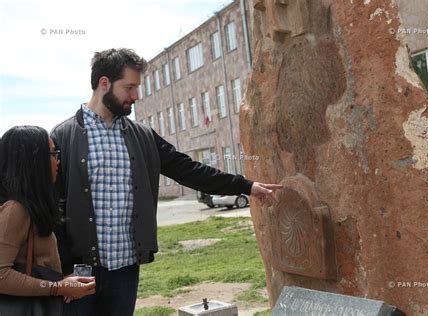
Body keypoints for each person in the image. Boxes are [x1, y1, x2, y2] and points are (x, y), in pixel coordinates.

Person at [50, 48, 282, 315]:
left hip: (125, 270)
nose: (136, 96)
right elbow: (52, 207)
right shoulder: (62, 136)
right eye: (129, 87)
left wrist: (247, 186)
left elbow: (189, 170)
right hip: (79, 273)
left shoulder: (142, 136)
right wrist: (63, 269)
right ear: (104, 84)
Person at [0, 126, 96, 312]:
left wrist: (62, 283)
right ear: (33, 161)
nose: (57, 161)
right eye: (53, 153)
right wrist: (57, 288)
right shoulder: (15, 209)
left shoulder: (29, 204)